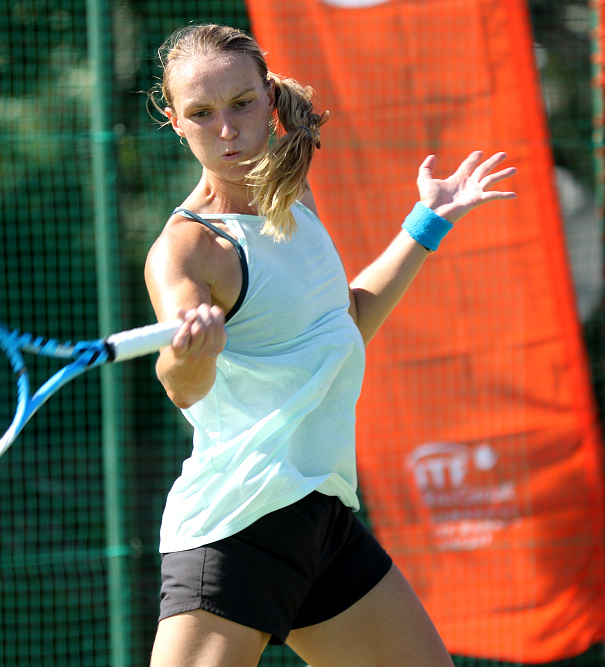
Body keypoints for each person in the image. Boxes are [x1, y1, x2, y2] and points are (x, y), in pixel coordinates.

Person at [144, 24, 516, 667]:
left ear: (269, 99)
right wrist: (189, 353)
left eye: (242, 104)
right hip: (238, 527)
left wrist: (428, 221)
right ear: (176, 122)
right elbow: (182, 385)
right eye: (202, 114)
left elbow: (344, 323)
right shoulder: (188, 250)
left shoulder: (293, 202)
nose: (227, 130)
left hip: (321, 517)